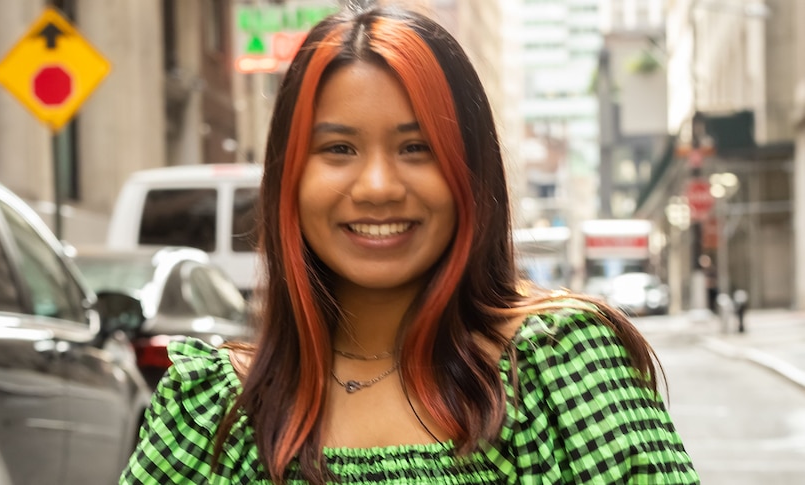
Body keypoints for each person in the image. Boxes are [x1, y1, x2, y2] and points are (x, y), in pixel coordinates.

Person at [120, 3, 699, 484]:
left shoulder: (562, 370)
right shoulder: (210, 412)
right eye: (339, 149)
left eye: (416, 147)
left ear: (470, 172)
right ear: (288, 177)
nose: (377, 188)